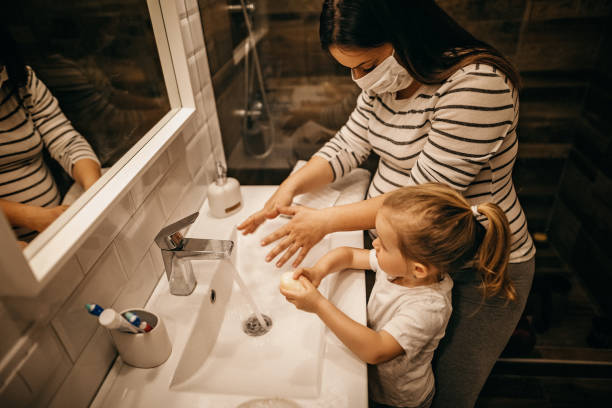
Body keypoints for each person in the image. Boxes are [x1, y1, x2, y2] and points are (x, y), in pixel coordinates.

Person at [239, 1, 535, 406]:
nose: (359, 79)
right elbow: (349, 144)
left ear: (408, 34)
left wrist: (324, 221)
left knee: (446, 395)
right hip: (405, 256)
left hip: (474, 265)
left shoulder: (477, 85)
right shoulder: (385, 82)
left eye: (367, 64)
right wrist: (289, 188)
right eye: (351, 69)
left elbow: (421, 198)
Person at [281, 183, 516, 408]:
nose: (375, 243)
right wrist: (318, 271)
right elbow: (348, 256)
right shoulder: (400, 268)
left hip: (398, 400)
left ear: (418, 269)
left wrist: (318, 304)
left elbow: (376, 350)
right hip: (376, 385)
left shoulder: (428, 308)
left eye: (384, 244)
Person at [1, 27, 101, 246]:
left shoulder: (19, 78)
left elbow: (63, 137)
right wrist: (31, 217)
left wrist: (95, 190)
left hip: (52, 229)